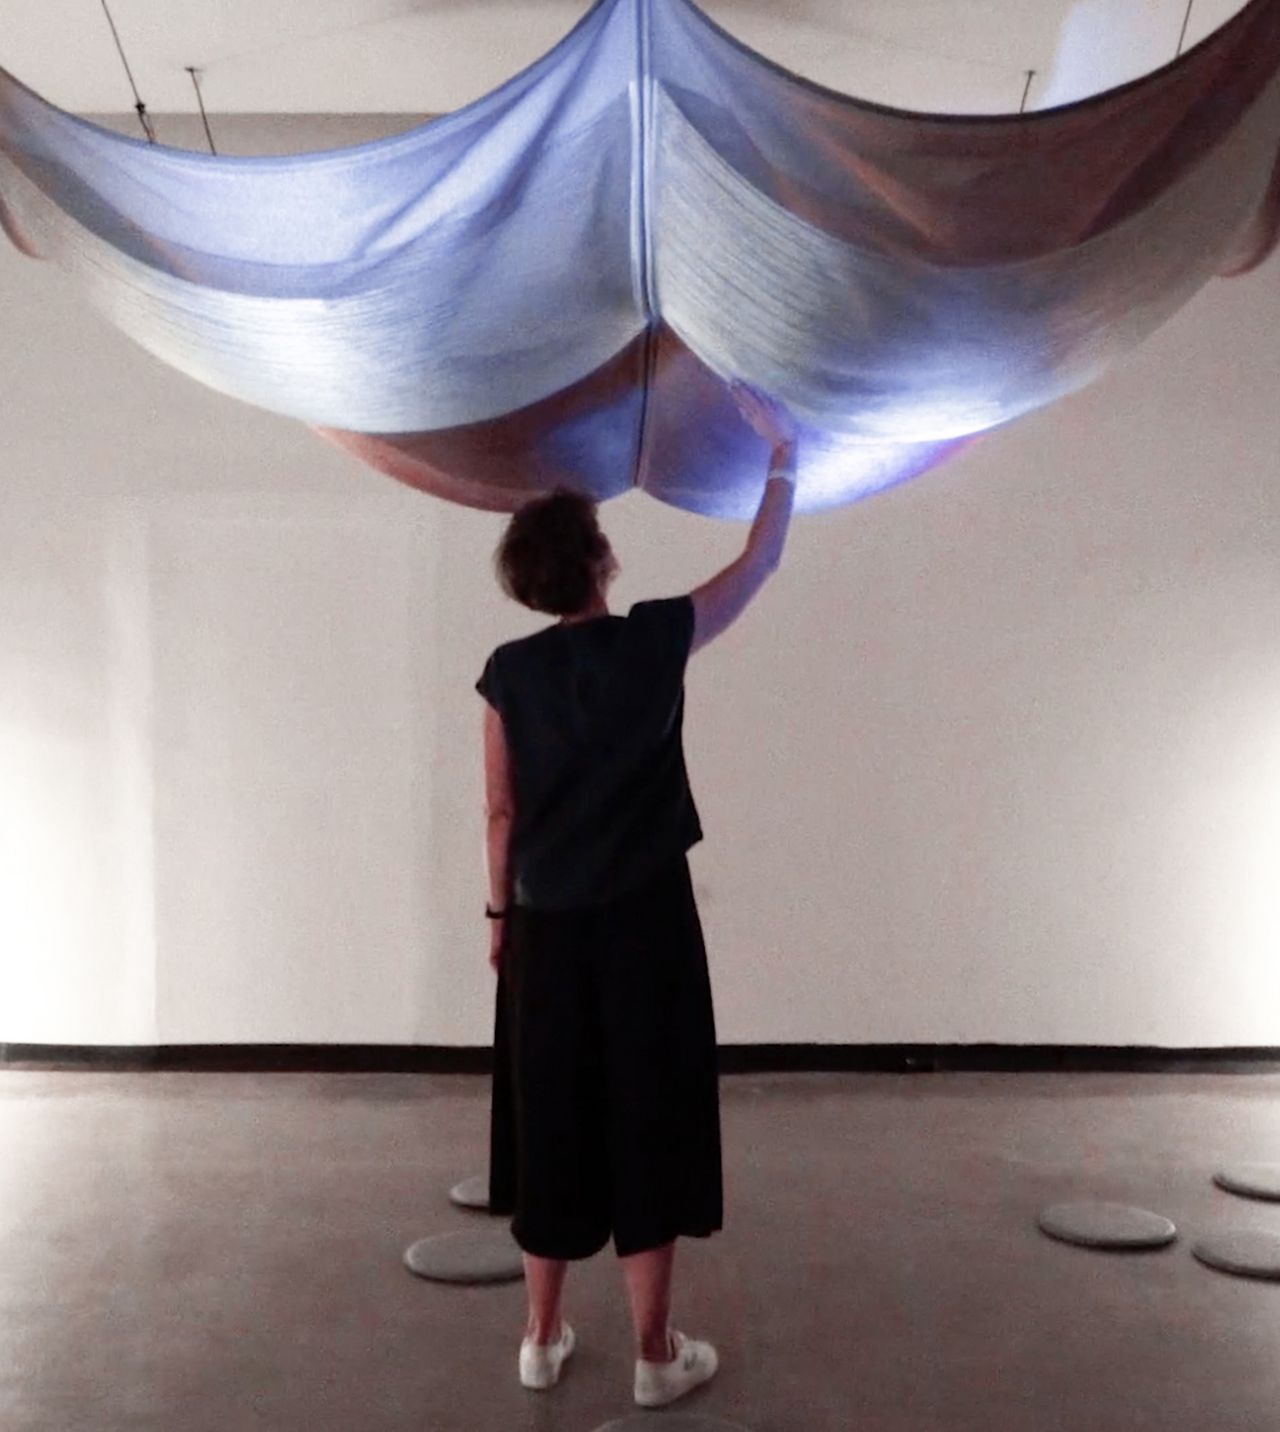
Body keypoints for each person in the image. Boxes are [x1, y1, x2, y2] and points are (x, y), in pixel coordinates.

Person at [475, 381, 798, 1408]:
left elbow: (499, 812)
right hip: (648, 927)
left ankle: (539, 1337)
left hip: (545, 927)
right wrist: (780, 457)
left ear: (526, 585)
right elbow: (757, 564)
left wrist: (496, 920)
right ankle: (654, 1354)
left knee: (552, 1115)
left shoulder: (506, 673)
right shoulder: (654, 639)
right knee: (645, 1116)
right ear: (601, 564)